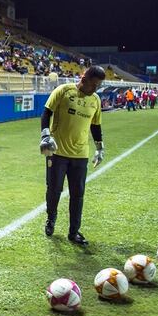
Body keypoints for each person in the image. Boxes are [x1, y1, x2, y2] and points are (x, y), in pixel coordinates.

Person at [39, 66, 106, 246]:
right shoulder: (63, 91)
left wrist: (99, 148)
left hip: (80, 154)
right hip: (57, 152)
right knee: (54, 190)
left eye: (98, 86)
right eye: (94, 85)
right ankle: (51, 219)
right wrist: (45, 136)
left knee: (78, 194)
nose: (95, 89)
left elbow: (95, 125)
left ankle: (74, 232)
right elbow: (46, 113)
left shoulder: (96, 100)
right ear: (84, 79)